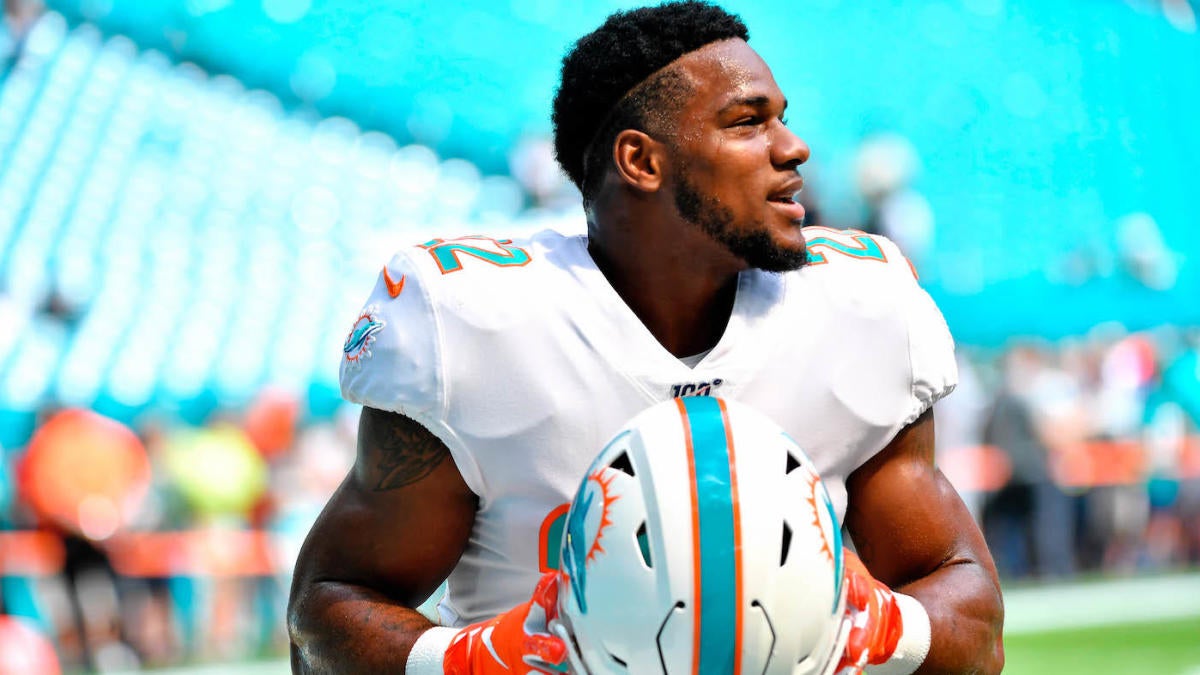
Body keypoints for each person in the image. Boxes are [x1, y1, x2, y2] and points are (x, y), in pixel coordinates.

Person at [287, 2, 1004, 673]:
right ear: (642, 160)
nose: (793, 147)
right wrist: (476, 657)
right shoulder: (473, 324)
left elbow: (976, 624)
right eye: (748, 121)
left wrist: (882, 625)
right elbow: (323, 613)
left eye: (782, 118)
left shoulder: (857, 307)